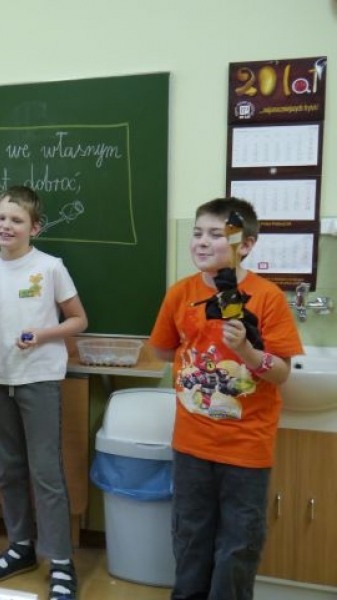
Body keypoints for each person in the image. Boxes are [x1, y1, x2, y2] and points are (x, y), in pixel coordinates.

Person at [149, 197, 303, 600]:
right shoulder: (181, 293)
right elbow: (163, 349)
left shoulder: (266, 297)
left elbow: (281, 372)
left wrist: (248, 353)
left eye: (216, 235)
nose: (202, 242)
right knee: (190, 536)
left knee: (238, 542)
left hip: (245, 448)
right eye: (197, 233)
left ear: (245, 244)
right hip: (191, 443)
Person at [0, 185, 88, 600]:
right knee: (9, 470)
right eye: (1, 217)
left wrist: (41, 334)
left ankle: (61, 560)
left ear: (34, 228)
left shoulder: (50, 267)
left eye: (16, 220)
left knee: (46, 472)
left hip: (38, 378)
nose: (6, 225)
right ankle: (21, 546)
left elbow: (79, 320)